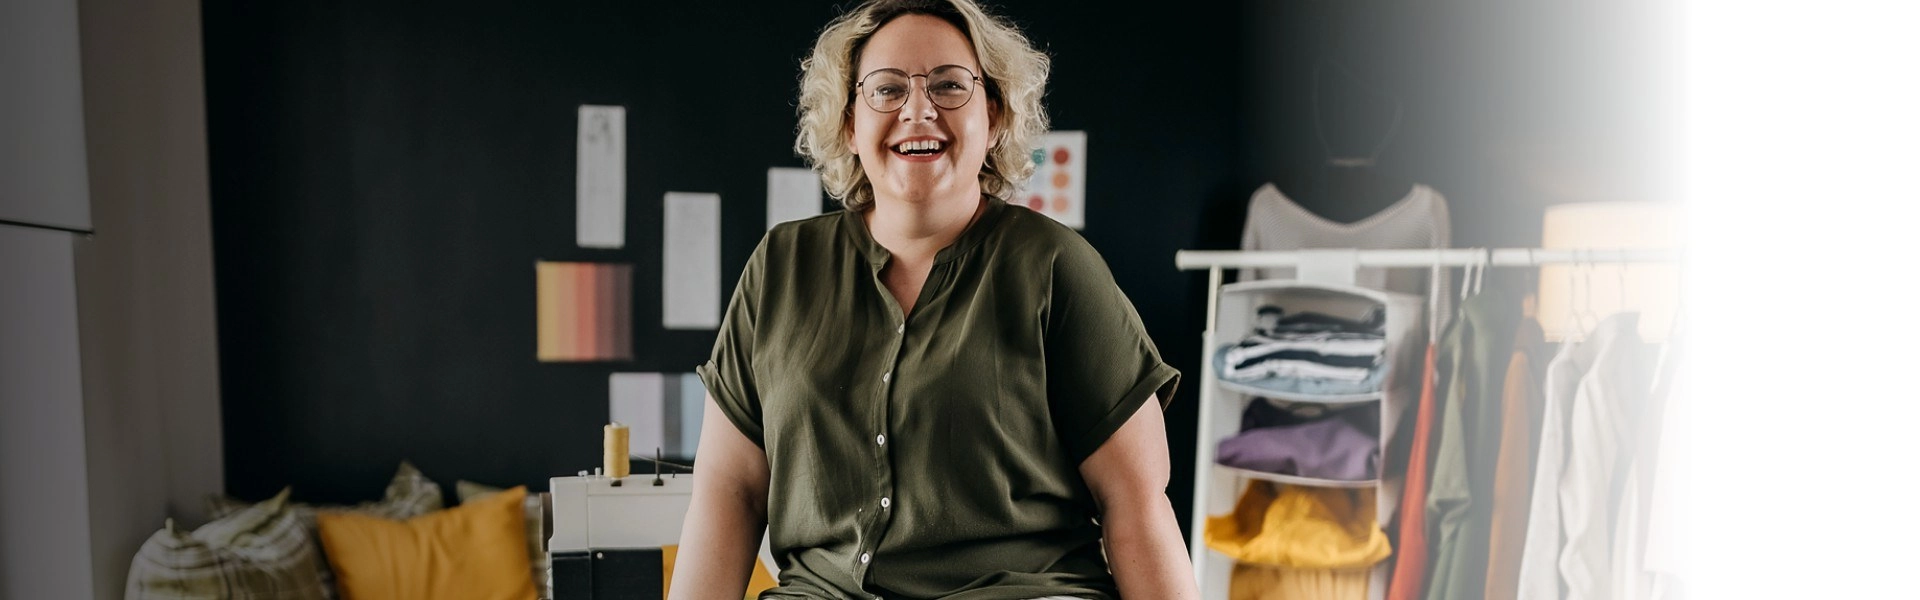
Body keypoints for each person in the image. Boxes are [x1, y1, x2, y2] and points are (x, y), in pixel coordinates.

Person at [670, 1, 1194, 598]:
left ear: (993, 116)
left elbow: (1136, 501)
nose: (918, 110)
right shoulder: (779, 268)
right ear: (848, 124)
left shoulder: (1054, 265)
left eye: (948, 85)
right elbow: (729, 493)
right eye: (886, 90)